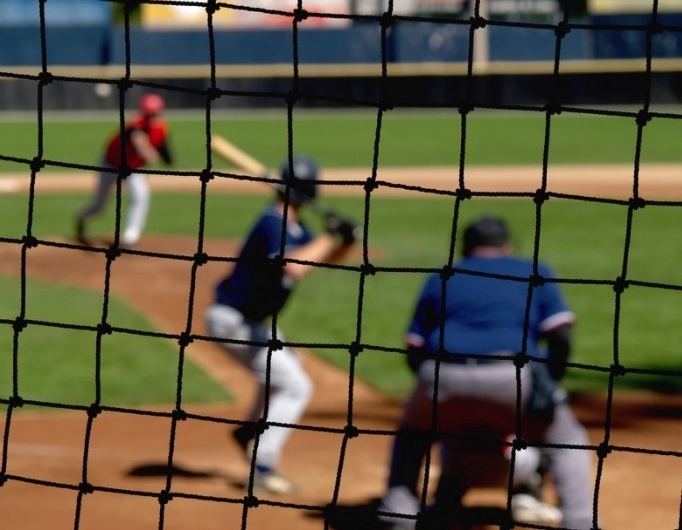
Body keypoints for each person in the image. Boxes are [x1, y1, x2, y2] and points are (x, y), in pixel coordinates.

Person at [377, 215, 598, 530]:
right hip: (512, 376)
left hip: (441, 376)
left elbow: (414, 349)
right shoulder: (534, 270)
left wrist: (440, 392)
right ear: (507, 246)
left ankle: (397, 515)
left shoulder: (443, 276)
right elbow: (561, 336)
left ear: (465, 247)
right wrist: (549, 382)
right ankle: (580, 523)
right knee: (566, 438)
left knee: (412, 436)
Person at [205, 155, 359, 494]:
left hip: (253, 323)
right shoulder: (271, 223)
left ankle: (248, 430)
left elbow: (321, 258)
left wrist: (344, 240)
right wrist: (330, 234)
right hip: (233, 322)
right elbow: (294, 266)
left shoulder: (297, 229)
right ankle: (263, 463)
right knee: (296, 386)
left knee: (290, 366)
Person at [75, 92, 174, 249]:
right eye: (150, 113)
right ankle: (82, 216)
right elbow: (138, 140)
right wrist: (149, 152)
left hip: (133, 169)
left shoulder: (161, 128)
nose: (152, 116)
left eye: (155, 113)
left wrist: (166, 158)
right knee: (99, 206)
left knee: (141, 198)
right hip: (111, 164)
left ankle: (130, 238)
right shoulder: (135, 124)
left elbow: (165, 152)